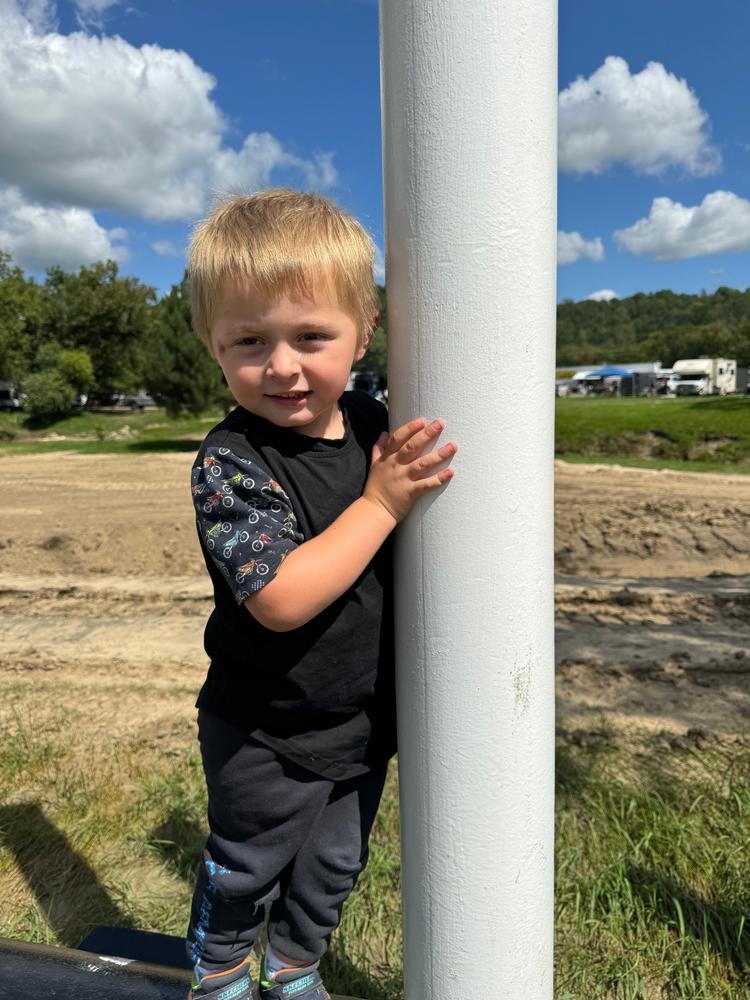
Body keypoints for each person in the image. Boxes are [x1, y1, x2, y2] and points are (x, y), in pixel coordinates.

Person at [185, 189, 457, 1000]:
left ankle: (295, 967)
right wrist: (379, 504)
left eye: (311, 336)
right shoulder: (231, 461)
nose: (282, 365)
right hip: (263, 728)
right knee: (248, 862)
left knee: (336, 865)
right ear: (211, 345)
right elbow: (278, 596)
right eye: (248, 341)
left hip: (362, 719)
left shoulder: (377, 426)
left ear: (365, 330)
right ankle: (223, 967)